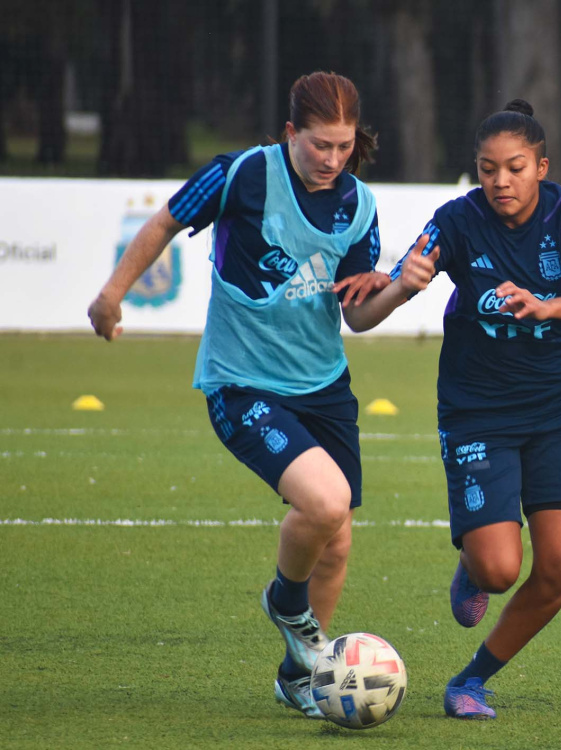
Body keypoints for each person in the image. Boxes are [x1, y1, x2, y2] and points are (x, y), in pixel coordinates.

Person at [86, 71, 433, 720]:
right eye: (319, 145)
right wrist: (113, 294)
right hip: (241, 383)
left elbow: (357, 316)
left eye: (344, 147)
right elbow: (164, 223)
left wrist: (403, 288)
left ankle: (300, 678)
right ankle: (285, 602)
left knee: (336, 538)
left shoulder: (358, 204)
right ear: (290, 134)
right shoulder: (243, 175)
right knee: (325, 503)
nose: (332, 160)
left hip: (325, 386)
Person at [339, 98, 561, 719]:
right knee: (499, 571)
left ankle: (471, 681)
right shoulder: (456, 221)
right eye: (487, 168)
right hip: (479, 412)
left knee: (558, 569)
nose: (501, 181)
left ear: (541, 167)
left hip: (560, 410)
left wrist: (550, 306)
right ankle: (474, 563)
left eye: (515, 167)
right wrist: (400, 286)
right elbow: (361, 317)